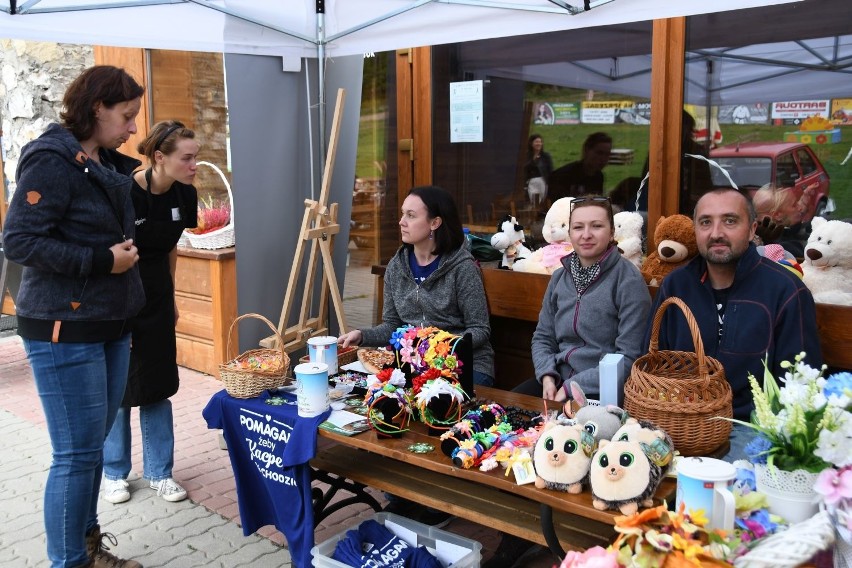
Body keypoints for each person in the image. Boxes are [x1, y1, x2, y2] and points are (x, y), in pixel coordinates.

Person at [2, 65, 146, 568]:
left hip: (108, 323)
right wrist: (102, 260)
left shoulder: (102, 161)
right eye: (126, 117)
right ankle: (70, 562)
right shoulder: (51, 161)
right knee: (76, 454)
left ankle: (87, 547)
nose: (132, 128)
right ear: (95, 109)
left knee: (90, 451)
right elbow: (18, 241)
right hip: (64, 327)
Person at [647, 187, 822, 460]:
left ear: (752, 229)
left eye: (730, 221)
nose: (716, 232)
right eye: (706, 222)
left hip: (751, 431)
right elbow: (652, 363)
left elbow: (800, 385)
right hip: (680, 424)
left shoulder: (784, 291)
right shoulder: (677, 285)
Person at [101, 121, 199, 506]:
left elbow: (172, 249)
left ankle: (160, 471)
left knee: (159, 384)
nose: (194, 165)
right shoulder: (123, 193)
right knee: (120, 387)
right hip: (120, 297)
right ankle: (114, 473)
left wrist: (171, 295)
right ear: (160, 157)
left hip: (157, 296)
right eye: (186, 158)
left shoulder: (185, 196)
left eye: (196, 157)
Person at [339, 185, 494, 387]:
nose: (401, 222)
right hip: (416, 366)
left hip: (466, 366)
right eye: (403, 214)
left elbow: (480, 329)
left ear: (435, 223)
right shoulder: (396, 266)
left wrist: (435, 345)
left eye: (411, 215)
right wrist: (362, 336)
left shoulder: (462, 268)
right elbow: (391, 325)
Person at [513, 195, 651, 401]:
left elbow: (630, 357)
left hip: (603, 391)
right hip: (556, 380)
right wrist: (547, 375)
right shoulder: (560, 277)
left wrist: (571, 388)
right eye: (578, 227)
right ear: (569, 233)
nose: (586, 235)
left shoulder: (628, 281)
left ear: (611, 231)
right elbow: (543, 337)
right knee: (506, 411)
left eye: (596, 226)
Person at [548, 132, 612, 202]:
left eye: (607, 154)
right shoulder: (563, 176)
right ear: (586, 150)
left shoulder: (598, 177)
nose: (603, 159)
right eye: (599, 153)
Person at [751, 183, 811, 258]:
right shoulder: (786, 249)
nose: (800, 208)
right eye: (794, 205)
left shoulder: (753, 238)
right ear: (777, 215)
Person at [523, 133, 554, 202]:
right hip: (531, 183)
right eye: (536, 142)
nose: (539, 144)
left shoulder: (546, 156)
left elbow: (551, 170)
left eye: (540, 142)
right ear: (531, 143)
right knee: (533, 201)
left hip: (543, 182)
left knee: (541, 202)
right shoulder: (526, 156)